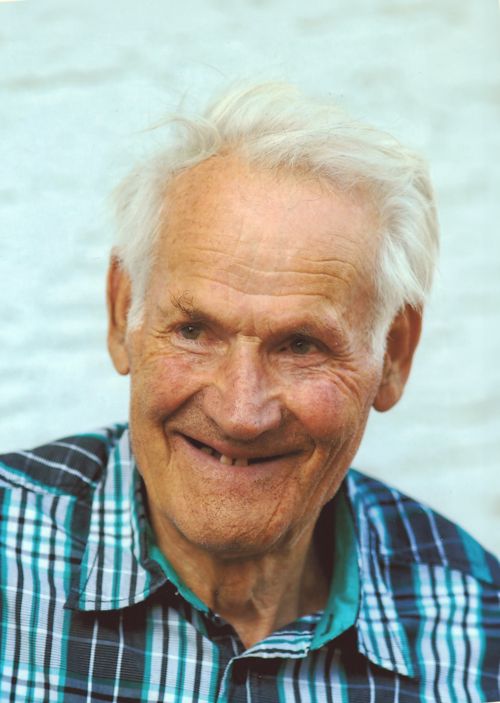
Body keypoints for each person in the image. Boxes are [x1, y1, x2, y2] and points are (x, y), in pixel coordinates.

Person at [0, 83, 498, 703]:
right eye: (194, 331)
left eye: (301, 345)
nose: (241, 413)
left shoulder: (479, 635)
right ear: (123, 311)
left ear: (393, 356)